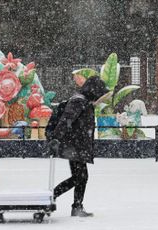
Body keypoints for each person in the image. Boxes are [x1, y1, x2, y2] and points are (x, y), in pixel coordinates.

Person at [49, 70, 109, 217]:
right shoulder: (79, 101)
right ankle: (57, 197)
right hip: (74, 146)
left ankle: (73, 204)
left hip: (77, 145)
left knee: (80, 177)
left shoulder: (84, 101)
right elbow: (66, 120)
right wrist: (56, 138)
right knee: (80, 177)